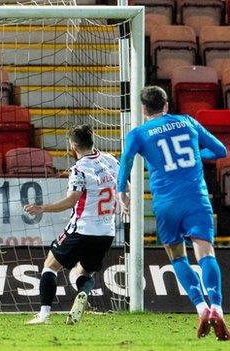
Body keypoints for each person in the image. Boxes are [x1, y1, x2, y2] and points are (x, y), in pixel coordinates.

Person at [117, 86, 228, 340]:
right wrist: (196, 156)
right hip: (197, 199)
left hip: (167, 204)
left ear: (144, 109)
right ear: (166, 105)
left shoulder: (138, 133)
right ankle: (218, 307)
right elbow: (221, 150)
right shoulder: (188, 121)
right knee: (206, 252)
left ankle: (200, 307)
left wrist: (121, 192)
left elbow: (125, 162)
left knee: (177, 256)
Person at [25, 124, 119, 325]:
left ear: (73, 146)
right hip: (107, 232)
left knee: (50, 266)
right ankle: (83, 293)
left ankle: (43, 315)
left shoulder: (79, 168)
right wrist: (125, 204)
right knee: (82, 272)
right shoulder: (111, 160)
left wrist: (42, 208)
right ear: (92, 141)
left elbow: (71, 200)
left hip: (82, 228)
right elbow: (125, 187)